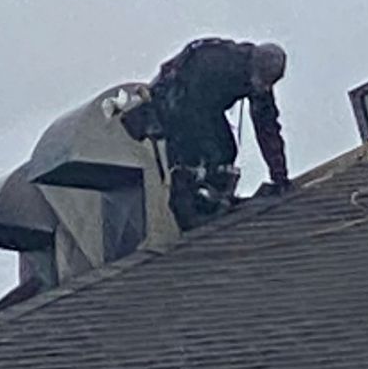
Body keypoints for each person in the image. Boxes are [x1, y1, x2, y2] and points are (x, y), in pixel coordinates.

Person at [121, 40, 290, 231]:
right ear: (252, 66)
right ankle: (193, 208)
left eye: (269, 84)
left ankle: (210, 199)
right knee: (201, 156)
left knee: (222, 152)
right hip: (176, 100)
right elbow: (192, 114)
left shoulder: (259, 79)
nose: (264, 89)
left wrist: (279, 176)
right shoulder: (216, 63)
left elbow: (267, 128)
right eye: (262, 81)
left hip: (202, 106)